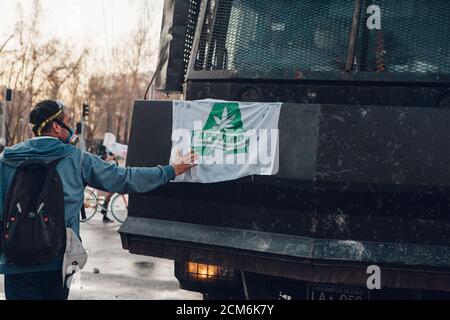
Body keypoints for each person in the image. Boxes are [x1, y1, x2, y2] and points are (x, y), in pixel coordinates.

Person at [0, 100, 196, 300]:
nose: (72, 128)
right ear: (57, 127)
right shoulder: (77, 159)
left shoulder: (6, 160)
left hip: (15, 261)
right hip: (59, 260)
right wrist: (170, 171)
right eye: (68, 121)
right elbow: (124, 178)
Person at [99, 152, 119, 223]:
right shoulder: (107, 158)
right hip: (106, 179)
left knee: (110, 194)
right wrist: (106, 160)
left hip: (110, 179)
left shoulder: (114, 160)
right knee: (110, 193)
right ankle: (104, 208)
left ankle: (104, 213)